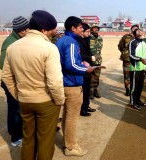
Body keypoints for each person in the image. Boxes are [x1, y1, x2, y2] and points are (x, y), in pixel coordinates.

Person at [2, 10, 65, 160]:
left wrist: (18, 94)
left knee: (29, 139)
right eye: (51, 31)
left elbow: (6, 76)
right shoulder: (49, 48)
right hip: (46, 101)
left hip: (25, 100)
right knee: (45, 140)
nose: (52, 33)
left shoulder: (13, 47)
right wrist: (60, 100)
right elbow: (55, 82)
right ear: (43, 30)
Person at [56, 16, 94, 156]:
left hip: (65, 82)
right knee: (71, 116)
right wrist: (86, 69)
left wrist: (81, 63)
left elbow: (71, 61)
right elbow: (70, 64)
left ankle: (68, 142)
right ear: (73, 28)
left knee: (67, 115)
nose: (82, 30)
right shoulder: (71, 42)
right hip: (71, 84)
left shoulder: (62, 40)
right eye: (80, 28)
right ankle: (70, 147)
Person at [0, 16, 29, 147]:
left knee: (18, 108)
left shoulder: (19, 40)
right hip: (11, 83)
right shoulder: (10, 42)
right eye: (28, 29)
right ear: (22, 31)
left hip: (18, 81)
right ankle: (16, 138)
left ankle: (18, 133)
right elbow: (2, 64)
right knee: (15, 109)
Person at [76, 22, 96, 116]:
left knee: (87, 89)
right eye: (87, 31)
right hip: (82, 68)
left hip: (88, 68)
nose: (89, 33)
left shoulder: (86, 40)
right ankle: (82, 109)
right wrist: (90, 58)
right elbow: (80, 55)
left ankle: (86, 106)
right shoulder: (77, 41)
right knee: (83, 90)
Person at [129, 29, 146, 110]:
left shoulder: (144, 43)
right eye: (137, 31)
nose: (139, 31)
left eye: (140, 30)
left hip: (142, 68)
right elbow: (131, 55)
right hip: (135, 68)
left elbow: (144, 55)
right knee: (134, 87)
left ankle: (138, 100)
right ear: (134, 34)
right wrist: (140, 59)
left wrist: (145, 67)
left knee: (140, 86)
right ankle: (133, 102)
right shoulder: (132, 42)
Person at [118, 25, 139, 96]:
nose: (135, 29)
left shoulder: (139, 38)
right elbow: (120, 46)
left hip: (136, 60)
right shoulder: (125, 37)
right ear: (131, 29)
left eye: (137, 28)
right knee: (127, 76)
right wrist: (125, 53)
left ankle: (133, 89)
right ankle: (127, 90)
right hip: (127, 59)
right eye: (134, 28)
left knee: (135, 75)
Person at [90, 25, 103, 99]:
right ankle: (90, 92)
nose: (96, 29)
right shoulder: (88, 38)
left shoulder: (100, 38)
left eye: (97, 28)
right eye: (94, 28)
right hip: (90, 61)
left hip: (98, 61)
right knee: (91, 77)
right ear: (91, 30)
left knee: (97, 77)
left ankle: (95, 90)